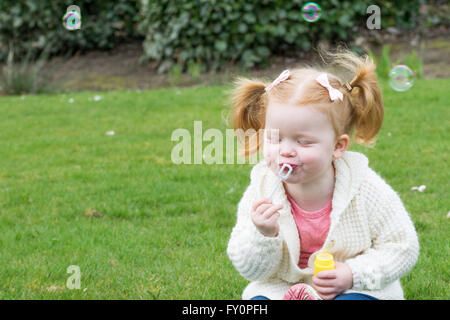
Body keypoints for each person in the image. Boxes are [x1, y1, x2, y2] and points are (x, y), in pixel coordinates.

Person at [226, 49, 419, 300]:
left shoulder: (365, 188)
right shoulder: (262, 191)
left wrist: (352, 273)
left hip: (351, 289)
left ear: (338, 147)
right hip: (282, 290)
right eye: (275, 138)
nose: (286, 151)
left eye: (304, 142)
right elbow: (251, 270)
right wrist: (264, 234)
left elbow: (402, 247)